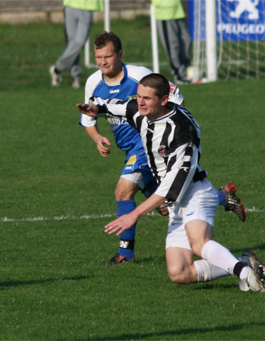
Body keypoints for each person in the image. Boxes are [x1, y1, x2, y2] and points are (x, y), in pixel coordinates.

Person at [77, 73, 265, 291]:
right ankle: (244, 261)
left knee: (198, 242)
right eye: (139, 96)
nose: (140, 102)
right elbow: (119, 106)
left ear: (164, 100)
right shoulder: (141, 109)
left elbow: (170, 187)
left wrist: (134, 215)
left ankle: (246, 275)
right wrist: (97, 108)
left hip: (194, 193)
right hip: (175, 203)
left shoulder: (182, 133)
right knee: (179, 272)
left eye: (147, 98)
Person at [79, 32, 246, 264]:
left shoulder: (140, 76)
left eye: (107, 56)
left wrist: (173, 131)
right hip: (130, 150)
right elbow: (90, 116)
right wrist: (97, 138)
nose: (102, 62)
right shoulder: (93, 82)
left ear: (120, 55)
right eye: (98, 57)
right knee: (165, 206)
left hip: (149, 145)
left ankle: (125, 254)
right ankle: (221, 197)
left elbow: (173, 97)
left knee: (123, 190)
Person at [49, 0, 103, 89]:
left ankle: (57, 69)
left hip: (88, 6)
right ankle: (75, 76)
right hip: (70, 4)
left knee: (79, 42)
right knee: (72, 43)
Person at [151, 0, 192, 84]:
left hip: (178, 12)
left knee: (186, 41)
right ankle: (179, 75)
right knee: (173, 46)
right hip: (165, 14)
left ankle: (187, 70)